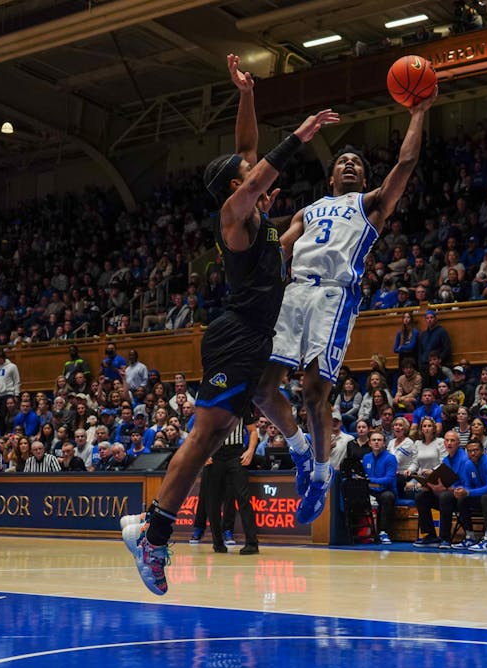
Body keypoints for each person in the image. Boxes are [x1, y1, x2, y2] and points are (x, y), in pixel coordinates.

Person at [122, 53, 339, 595]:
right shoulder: (232, 217)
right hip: (237, 334)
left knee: (268, 391)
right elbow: (256, 168)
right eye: (250, 174)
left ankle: (297, 449)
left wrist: (246, 94)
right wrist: (301, 134)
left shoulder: (254, 210)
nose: (257, 168)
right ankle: (154, 532)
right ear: (237, 188)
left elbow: (246, 151)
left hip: (255, 335)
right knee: (207, 435)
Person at [253, 80, 438, 529]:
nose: (351, 165)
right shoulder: (307, 210)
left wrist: (418, 112)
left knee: (315, 390)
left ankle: (319, 475)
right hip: (294, 292)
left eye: (357, 162)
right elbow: (279, 251)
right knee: (261, 389)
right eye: (343, 162)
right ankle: (300, 452)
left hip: (334, 295)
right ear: (331, 175)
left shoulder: (369, 205)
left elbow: (407, 162)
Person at [201, 414, 259, 554]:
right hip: (214, 455)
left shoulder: (242, 404)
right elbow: (199, 432)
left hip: (236, 454)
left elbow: (253, 431)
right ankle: (218, 542)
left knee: (243, 498)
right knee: (212, 502)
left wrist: (250, 451)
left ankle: (252, 543)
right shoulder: (210, 403)